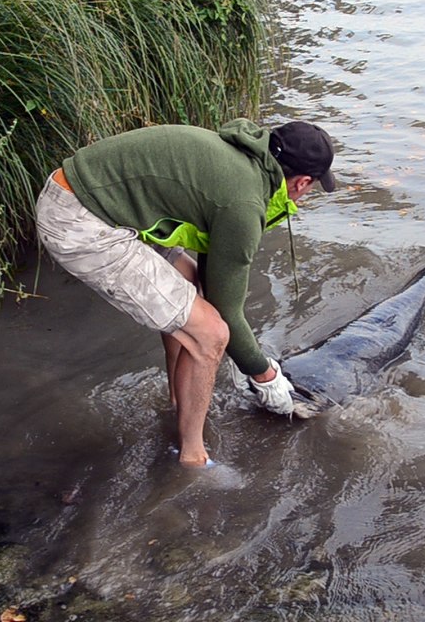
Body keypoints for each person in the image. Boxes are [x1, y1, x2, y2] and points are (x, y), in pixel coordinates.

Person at [34, 118, 336, 467]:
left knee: (191, 295)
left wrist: (246, 356)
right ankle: (193, 457)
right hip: (79, 221)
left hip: (89, 198)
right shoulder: (243, 204)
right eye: (313, 187)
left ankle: (179, 403)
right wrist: (266, 377)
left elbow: (211, 285)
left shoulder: (243, 160)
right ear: (301, 183)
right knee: (210, 335)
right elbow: (227, 314)